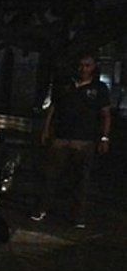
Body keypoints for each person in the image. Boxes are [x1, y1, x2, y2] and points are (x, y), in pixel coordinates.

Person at [31, 53, 111, 228]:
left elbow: (105, 114)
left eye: (87, 65)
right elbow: (53, 108)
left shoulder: (100, 88)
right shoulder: (65, 85)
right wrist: (45, 129)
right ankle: (42, 208)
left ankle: (78, 216)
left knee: (81, 180)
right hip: (61, 137)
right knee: (50, 175)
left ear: (93, 67)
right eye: (81, 65)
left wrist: (104, 137)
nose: (83, 69)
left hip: (84, 141)